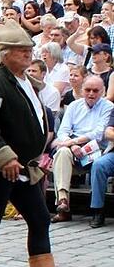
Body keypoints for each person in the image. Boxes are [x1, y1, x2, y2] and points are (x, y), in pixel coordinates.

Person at [0, 19, 88, 267]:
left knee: (39, 219)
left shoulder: (24, 79)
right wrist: (5, 156)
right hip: (0, 168)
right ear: (6, 52)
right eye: (21, 50)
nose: (28, 54)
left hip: (24, 167)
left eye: (29, 49)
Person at [49, 75, 112, 221]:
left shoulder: (108, 107)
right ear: (82, 90)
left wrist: (74, 142)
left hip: (97, 150)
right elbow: (63, 131)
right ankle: (63, 202)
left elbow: (99, 133)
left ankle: (92, 210)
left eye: (95, 91)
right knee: (62, 152)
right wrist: (73, 145)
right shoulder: (73, 106)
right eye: (88, 90)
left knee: (64, 150)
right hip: (72, 148)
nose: (91, 94)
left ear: (103, 91)